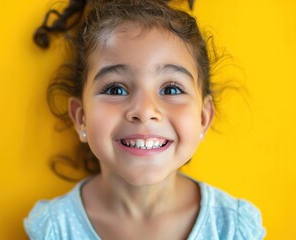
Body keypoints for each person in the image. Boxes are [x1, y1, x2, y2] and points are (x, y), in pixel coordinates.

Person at [25, 0, 266, 239]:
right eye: (116, 89)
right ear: (81, 118)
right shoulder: (54, 229)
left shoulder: (232, 228)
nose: (144, 110)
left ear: (203, 118)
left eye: (171, 89)